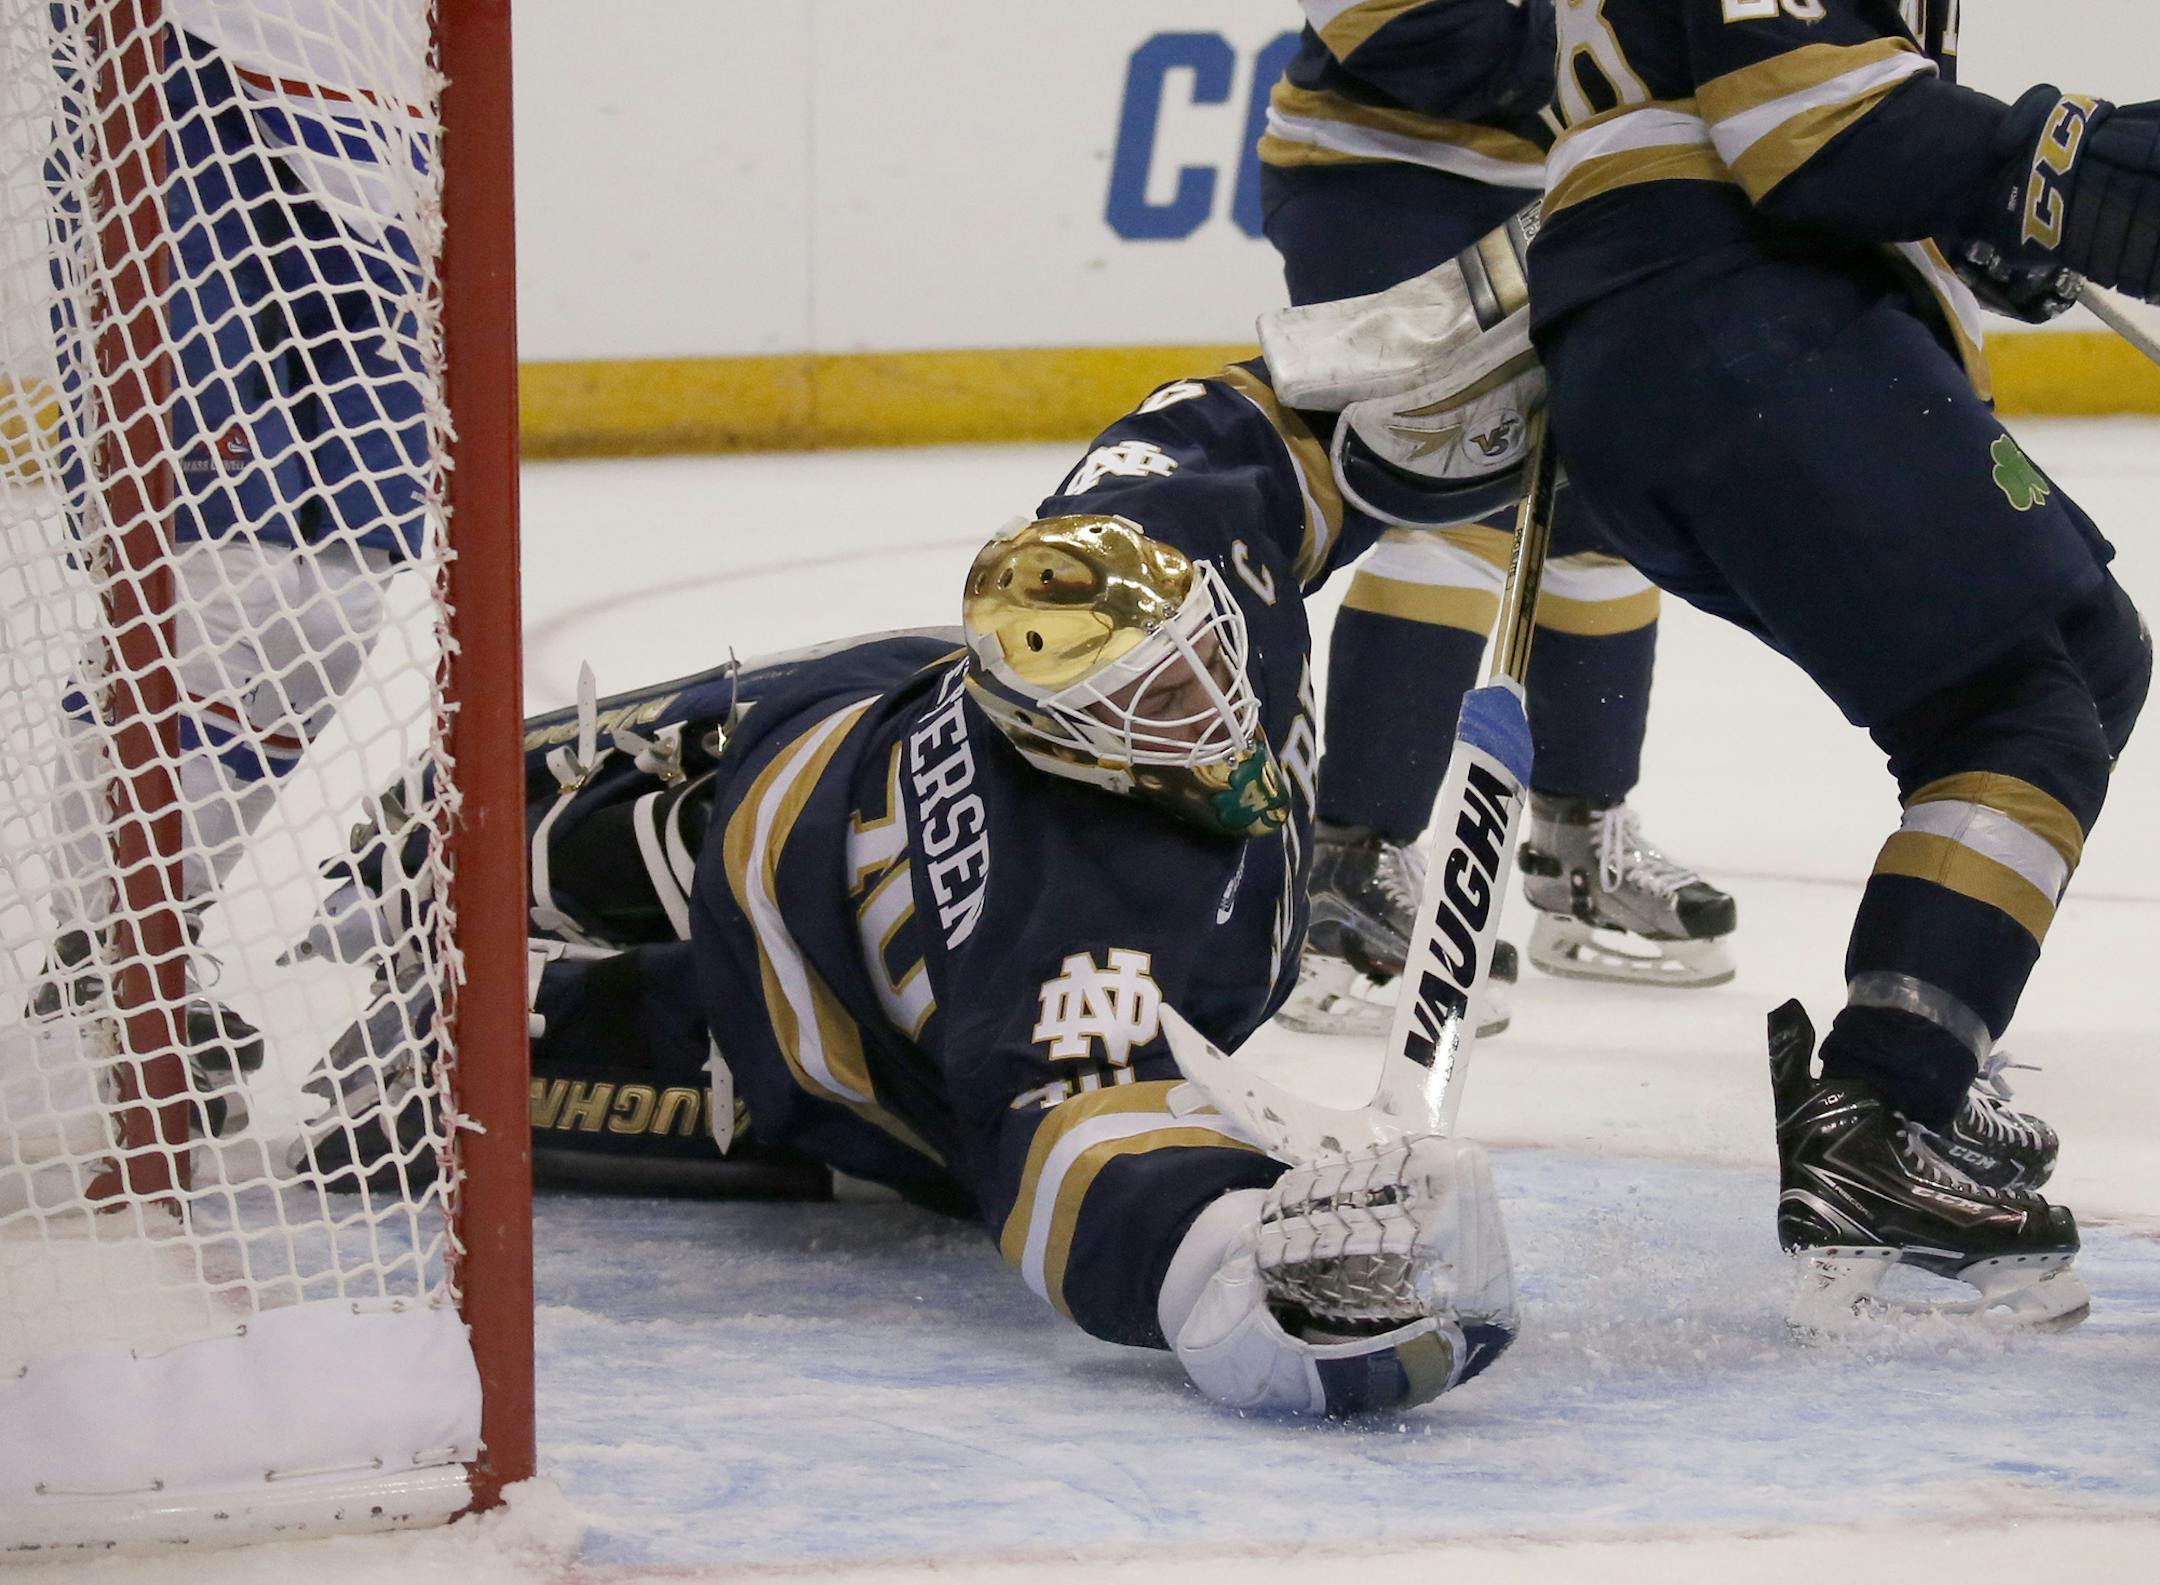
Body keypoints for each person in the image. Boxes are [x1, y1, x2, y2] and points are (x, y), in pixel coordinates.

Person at [297, 356, 1523, 1417]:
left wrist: (1488, 344)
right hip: (810, 1014)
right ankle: (437, 977)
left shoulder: (1158, 562)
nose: (1210, 716)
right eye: (1156, 707)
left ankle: (462, 908)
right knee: (468, 1018)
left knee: (502, 869)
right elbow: (1070, 1156)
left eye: (1204, 664)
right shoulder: (1075, 933)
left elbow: (1235, 428)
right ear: (1069, 745)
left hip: (818, 748)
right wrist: (1226, 1265)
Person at [1526, 0, 2153, 1327]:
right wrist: (2059, 172)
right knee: (2017, 713)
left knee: (2086, 656)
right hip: (1743, 320)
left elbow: (1844, 127)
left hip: (1721, 330)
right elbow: (1805, 129)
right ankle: (1883, 1115)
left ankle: (1926, 1051)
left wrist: (1987, 202)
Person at [1256, 0, 1737, 1035]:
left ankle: (1579, 841)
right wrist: (1626, 58)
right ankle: (1349, 865)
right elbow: (1393, 27)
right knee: (1456, 497)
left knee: (1609, 496)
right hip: (1383, 178)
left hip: (1580, 183)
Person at [29, 3, 431, 1134]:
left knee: (338, 599)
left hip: (387, 114)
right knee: (205, 568)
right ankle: (107, 960)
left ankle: (151, 941)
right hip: (194, 79)